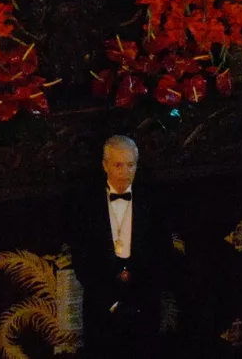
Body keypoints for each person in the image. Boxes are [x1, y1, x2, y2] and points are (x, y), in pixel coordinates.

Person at [66, 135, 176, 349]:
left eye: (130, 165)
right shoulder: (85, 205)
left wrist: (141, 296)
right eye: (118, 165)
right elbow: (82, 258)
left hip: (145, 307)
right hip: (100, 309)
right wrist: (108, 300)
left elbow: (163, 254)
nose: (125, 172)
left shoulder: (153, 202)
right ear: (105, 165)